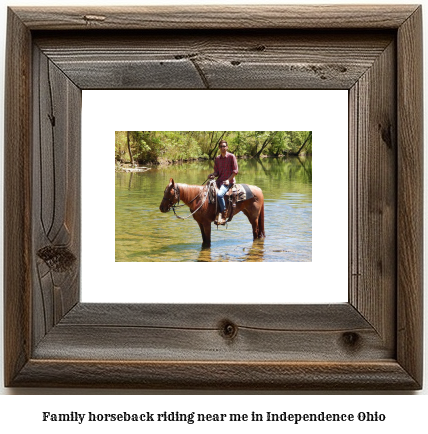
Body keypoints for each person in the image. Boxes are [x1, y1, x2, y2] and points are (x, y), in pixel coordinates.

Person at [208, 140, 238, 225]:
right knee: (207, 191)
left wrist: (228, 180)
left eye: (224, 146)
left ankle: (224, 213)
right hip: (219, 181)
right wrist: (212, 175)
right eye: (221, 146)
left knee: (219, 194)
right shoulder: (217, 159)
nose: (223, 148)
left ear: (227, 147)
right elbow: (216, 172)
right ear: (219, 148)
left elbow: (235, 171)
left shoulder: (231, 157)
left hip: (229, 182)